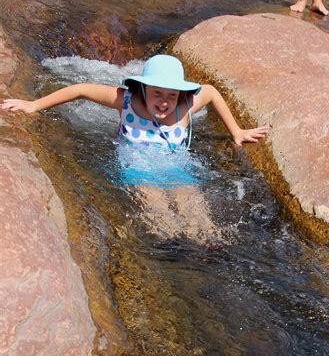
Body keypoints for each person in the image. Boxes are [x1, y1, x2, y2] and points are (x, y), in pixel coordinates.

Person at [1, 55, 268, 243]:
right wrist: (34, 105)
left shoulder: (185, 105)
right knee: (159, 215)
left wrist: (237, 131)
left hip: (177, 166)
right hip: (136, 166)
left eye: (171, 95)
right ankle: (171, 254)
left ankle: (209, 250)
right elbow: (81, 89)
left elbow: (210, 92)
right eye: (157, 94)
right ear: (143, 88)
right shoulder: (126, 101)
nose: (164, 102)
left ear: (181, 94)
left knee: (197, 212)